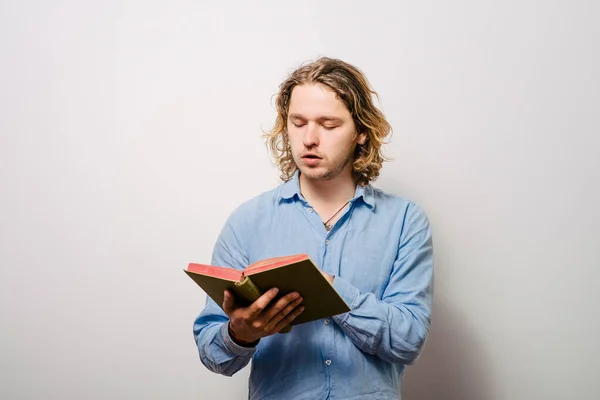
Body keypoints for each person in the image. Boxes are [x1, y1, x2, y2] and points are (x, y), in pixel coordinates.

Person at [193, 57, 434, 399]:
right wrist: (240, 332)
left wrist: (333, 291)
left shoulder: (405, 221)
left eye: (328, 124)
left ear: (361, 132)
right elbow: (212, 353)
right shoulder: (247, 222)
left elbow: (408, 342)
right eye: (298, 122)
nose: (309, 138)